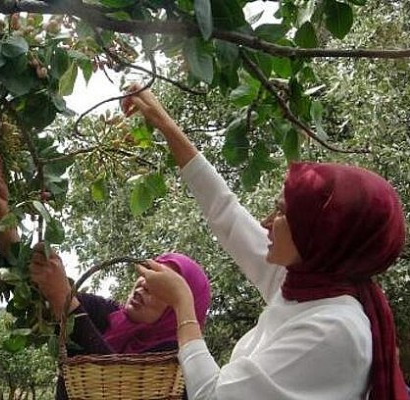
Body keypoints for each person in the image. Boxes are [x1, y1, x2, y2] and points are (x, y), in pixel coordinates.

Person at [121, 85, 408, 400]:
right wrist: (165, 124)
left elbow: (212, 397)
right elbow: (225, 213)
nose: (266, 222)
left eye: (282, 212)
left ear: (320, 233)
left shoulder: (332, 329)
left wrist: (182, 304)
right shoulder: (304, 288)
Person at [0, 151, 212, 400]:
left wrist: (63, 300)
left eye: (161, 287)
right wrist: (1, 213)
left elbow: (114, 382)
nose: (144, 286)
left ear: (178, 307)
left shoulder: (179, 365)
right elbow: (38, 288)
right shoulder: (108, 316)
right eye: (148, 275)